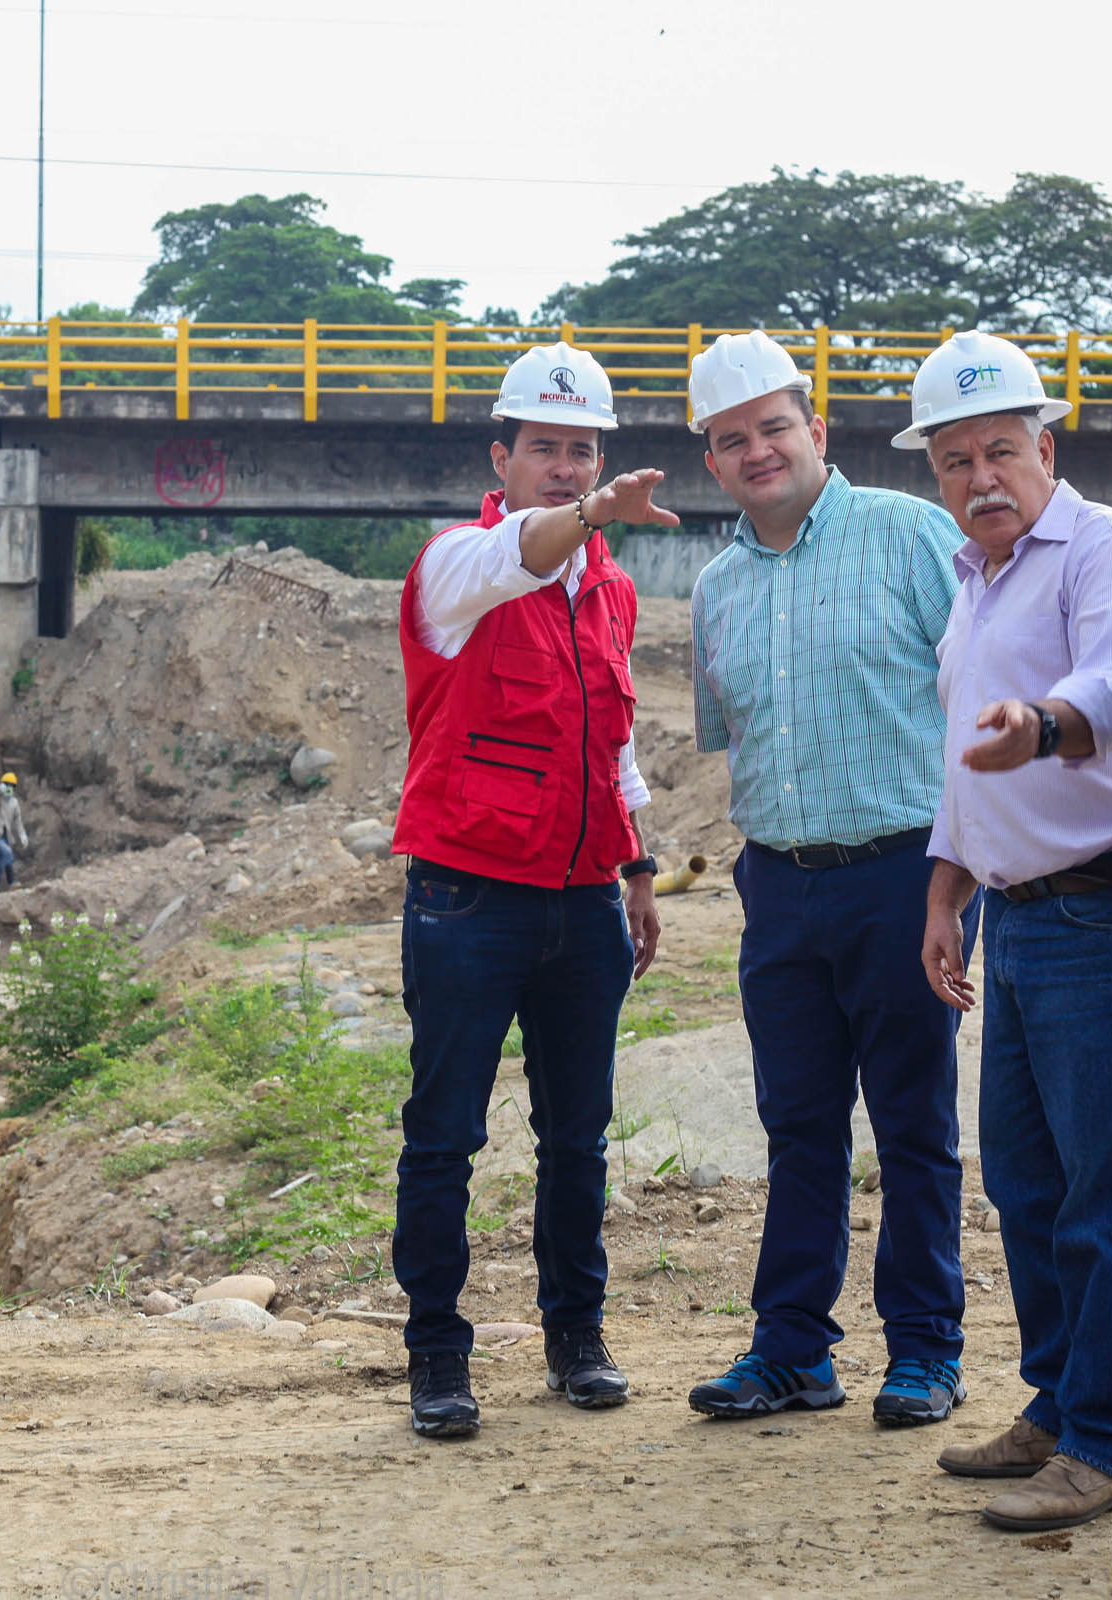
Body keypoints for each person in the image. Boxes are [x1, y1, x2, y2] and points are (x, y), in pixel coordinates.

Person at [898, 332, 1112, 1533]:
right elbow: (969, 758)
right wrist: (945, 892)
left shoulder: (1106, 548)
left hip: (1103, 916)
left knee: (1110, 1194)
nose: (981, 477)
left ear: (1045, 448)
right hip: (1015, 918)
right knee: (1024, 1182)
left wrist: (1046, 722)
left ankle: (1110, 1444)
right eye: (956, 460)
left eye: (1001, 450)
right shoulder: (976, 580)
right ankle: (1060, 1405)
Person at [683, 330, 974, 1427]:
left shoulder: (913, 536)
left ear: (816, 428)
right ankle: (792, 1349)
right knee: (798, 1124)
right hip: (778, 885)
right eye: (732, 440)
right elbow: (730, 736)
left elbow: (975, 701)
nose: (757, 451)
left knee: (912, 1122)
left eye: (773, 428)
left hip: (905, 874)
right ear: (712, 461)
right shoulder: (716, 588)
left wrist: (956, 879)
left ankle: (927, 1348)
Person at [387, 342, 676, 1440]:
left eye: (582, 452)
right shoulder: (456, 568)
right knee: (444, 1137)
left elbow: (614, 741)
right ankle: (437, 1353)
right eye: (546, 448)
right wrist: (591, 513)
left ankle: (576, 1337)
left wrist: (638, 867)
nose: (564, 467)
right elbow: (525, 549)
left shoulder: (611, 589)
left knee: (579, 1137)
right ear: (500, 458)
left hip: (585, 899)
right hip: (469, 899)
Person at [0, 774, 27, 891]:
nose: (9, 788)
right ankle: (11, 882)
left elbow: (18, 821)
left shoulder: (14, 802)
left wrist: (22, 835)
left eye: (11, 786)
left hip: (6, 836)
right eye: (7, 785)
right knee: (8, 852)